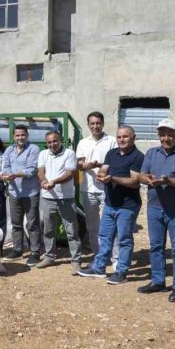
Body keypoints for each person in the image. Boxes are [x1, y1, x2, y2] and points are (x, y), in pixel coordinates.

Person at [137, 119, 175, 303]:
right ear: (159, 136)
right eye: (163, 134)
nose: (166, 138)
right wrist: (146, 178)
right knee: (156, 246)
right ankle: (158, 281)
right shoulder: (151, 153)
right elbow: (142, 175)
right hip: (154, 207)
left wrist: (169, 182)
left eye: (170, 134)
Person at [78, 126, 144, 284]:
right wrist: (101, 175)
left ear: (133, 138)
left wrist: (112, 179)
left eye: (125, 137)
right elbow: (104, 169)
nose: (122, 140)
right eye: (119, 137)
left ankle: (121, 272)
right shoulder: (111, 153)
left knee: (124, 239)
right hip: (110, 203)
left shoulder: (138, 156)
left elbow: (135, 182)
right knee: (104, 236)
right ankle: (99, 268)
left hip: (127, 205)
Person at [36, 130, 82, 274]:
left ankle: (76, 260)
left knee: (72, 231)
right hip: (47, 197)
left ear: (60, 140)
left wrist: (53, 182)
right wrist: (44, 181)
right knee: (48, 230)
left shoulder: (69, 153)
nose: (52, 144)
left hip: (66, 198)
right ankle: (49, 257)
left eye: (55, 141)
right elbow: (40, 171)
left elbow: (69, 174)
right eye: (49, 142)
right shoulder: (43, 154)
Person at [75, 112, 117, 265]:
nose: (95, 126)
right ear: (88, 125)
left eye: (98, 123)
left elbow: (116, 162)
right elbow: (79, 163)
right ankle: (99, 255)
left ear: (103, 124)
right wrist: (83, 165)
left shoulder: (112, 141)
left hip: (108, 188)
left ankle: (114, 257)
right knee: (92, 226)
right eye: (92, 124)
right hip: (88, 188)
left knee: (111, 225)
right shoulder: (83, 142)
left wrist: (99, 165)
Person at [0, 125, 43, 261]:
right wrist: (6, 174)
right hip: (14, 192)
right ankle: (17, 250)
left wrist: (13, 174)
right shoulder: (9, 150)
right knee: (16, 224)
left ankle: (35, 252)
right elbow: (5, 166)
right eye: (17, 135)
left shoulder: (34, 149)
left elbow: (31, 170)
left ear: (27, 136)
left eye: (23, 135)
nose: (20, 138)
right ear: (14, 137)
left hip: (30, 193)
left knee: (33, 224)